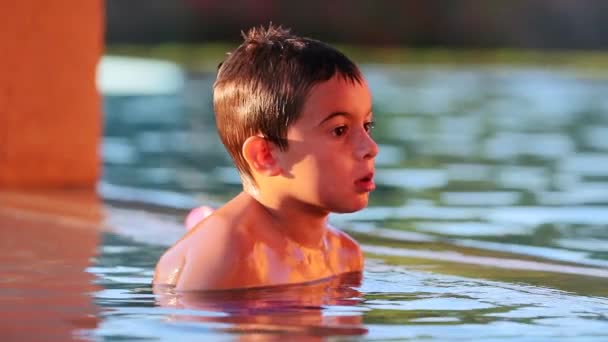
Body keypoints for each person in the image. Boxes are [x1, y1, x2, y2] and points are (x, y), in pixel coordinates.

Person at [154, 24, 378, 291]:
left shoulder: (345, 256)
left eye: (366, 126)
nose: (370, 147)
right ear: (266, 155)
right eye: (339, 130)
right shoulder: (230, 256)